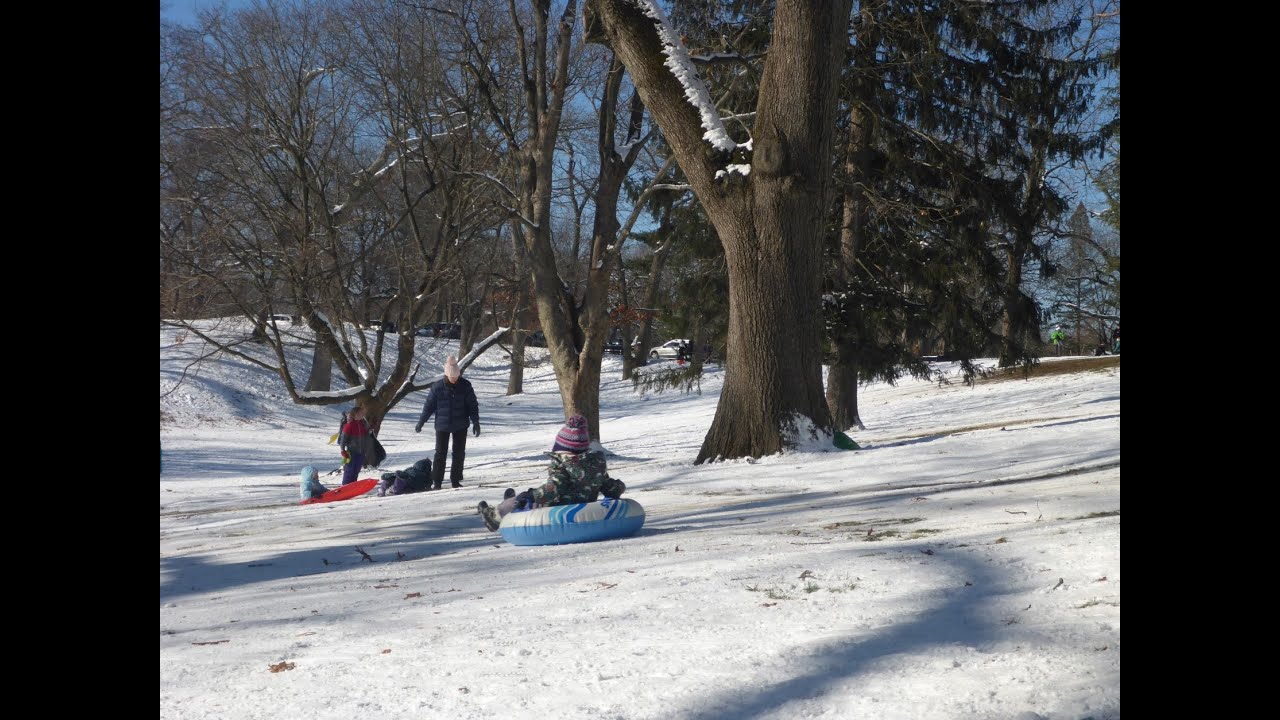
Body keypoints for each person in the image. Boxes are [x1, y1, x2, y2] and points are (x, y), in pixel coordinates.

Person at [477, 414, 626, 531]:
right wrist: (618, 487)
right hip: (585, 508)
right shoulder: (596, 464)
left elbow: (554, 489)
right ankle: (511, 503)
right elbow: (608, 487)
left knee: (525, 499)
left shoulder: (562, 462)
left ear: (562, 447)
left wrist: (531, 495)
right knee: (527, 498)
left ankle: (495, 515)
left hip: (558, 510)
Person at [415, 355, 480, 489]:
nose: (454, 380)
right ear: (447, 376)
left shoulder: (466, 386)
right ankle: (437, 482)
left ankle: (455, 480)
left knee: (459, 453)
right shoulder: (437, 387)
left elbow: (472, 405)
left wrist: (476, 422)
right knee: (440, 453)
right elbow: (429, 406)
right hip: (442, 425)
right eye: (452, 378)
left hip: (461, 424)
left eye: (456, 377)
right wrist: (421, 422)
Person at [338, 406, 377, 486]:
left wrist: (371, 428)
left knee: (357, 469)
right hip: (352, 451)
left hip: (361, 451)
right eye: (360, 413)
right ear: (355, 414)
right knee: (350, 469)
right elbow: (343, 439)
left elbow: (366, 435)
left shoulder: (362, 424)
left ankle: (353, 485)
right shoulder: (349, 425)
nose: (362, 415)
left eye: (362, 413)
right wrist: (343, 450)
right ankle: (345, 485)